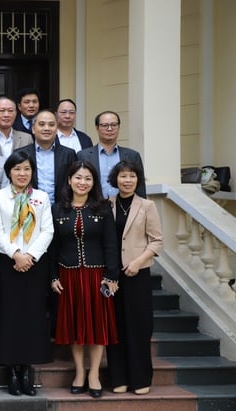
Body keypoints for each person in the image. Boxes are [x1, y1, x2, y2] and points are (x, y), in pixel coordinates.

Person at [49, 160, 120, 399]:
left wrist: (111, 275)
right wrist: (52, 276)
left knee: (97, 325)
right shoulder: (58, 209)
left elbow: (111, 244)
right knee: (74, 325)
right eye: (78, 177)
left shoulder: (102, 208)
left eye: (87, 178)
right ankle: (79, 372)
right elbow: (52, 247)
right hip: (68, 275)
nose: (82, 182)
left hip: (97, 276)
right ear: (69, 180)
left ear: (93, 182)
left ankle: (94, 375)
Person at [0, 151, 54, 396]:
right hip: (8, 262)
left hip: (35, 263)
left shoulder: (41, 197)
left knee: (32, 316)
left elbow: (47, 230)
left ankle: (26, 370)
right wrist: (16, 254)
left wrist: (30, 256)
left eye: (26, 169)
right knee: (9, 315)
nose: (22, 173)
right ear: (9, 172)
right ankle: (11, 371)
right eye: (17, 169)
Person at [106, 160, 164, 395]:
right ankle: (118, 378)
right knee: (115, 326)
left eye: (131, 176)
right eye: (123, 176)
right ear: (115, 179)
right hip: (112, 276)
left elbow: (157, 240)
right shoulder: (106, 204)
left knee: (138, 326)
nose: (127, 180)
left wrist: (138, 262)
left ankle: (140, 379)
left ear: (137, 180)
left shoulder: (147, 206)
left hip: (137, 274)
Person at [77, 110, 146, 198]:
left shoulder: (132, 155)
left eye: (114, 125)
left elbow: (140, 187)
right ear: (97, 128)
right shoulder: (83, 155)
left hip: (124, 208)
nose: (110, 129)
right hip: (93, 208)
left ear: (119, 127)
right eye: (105, 125)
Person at [18, 109, 77, 204]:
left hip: (61, 210)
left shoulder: (68, 154)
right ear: (33, 129)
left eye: (51, 125)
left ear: (57, 129)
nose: (47, 128)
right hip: (29, 209)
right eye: (41, 124)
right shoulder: (22, 154)